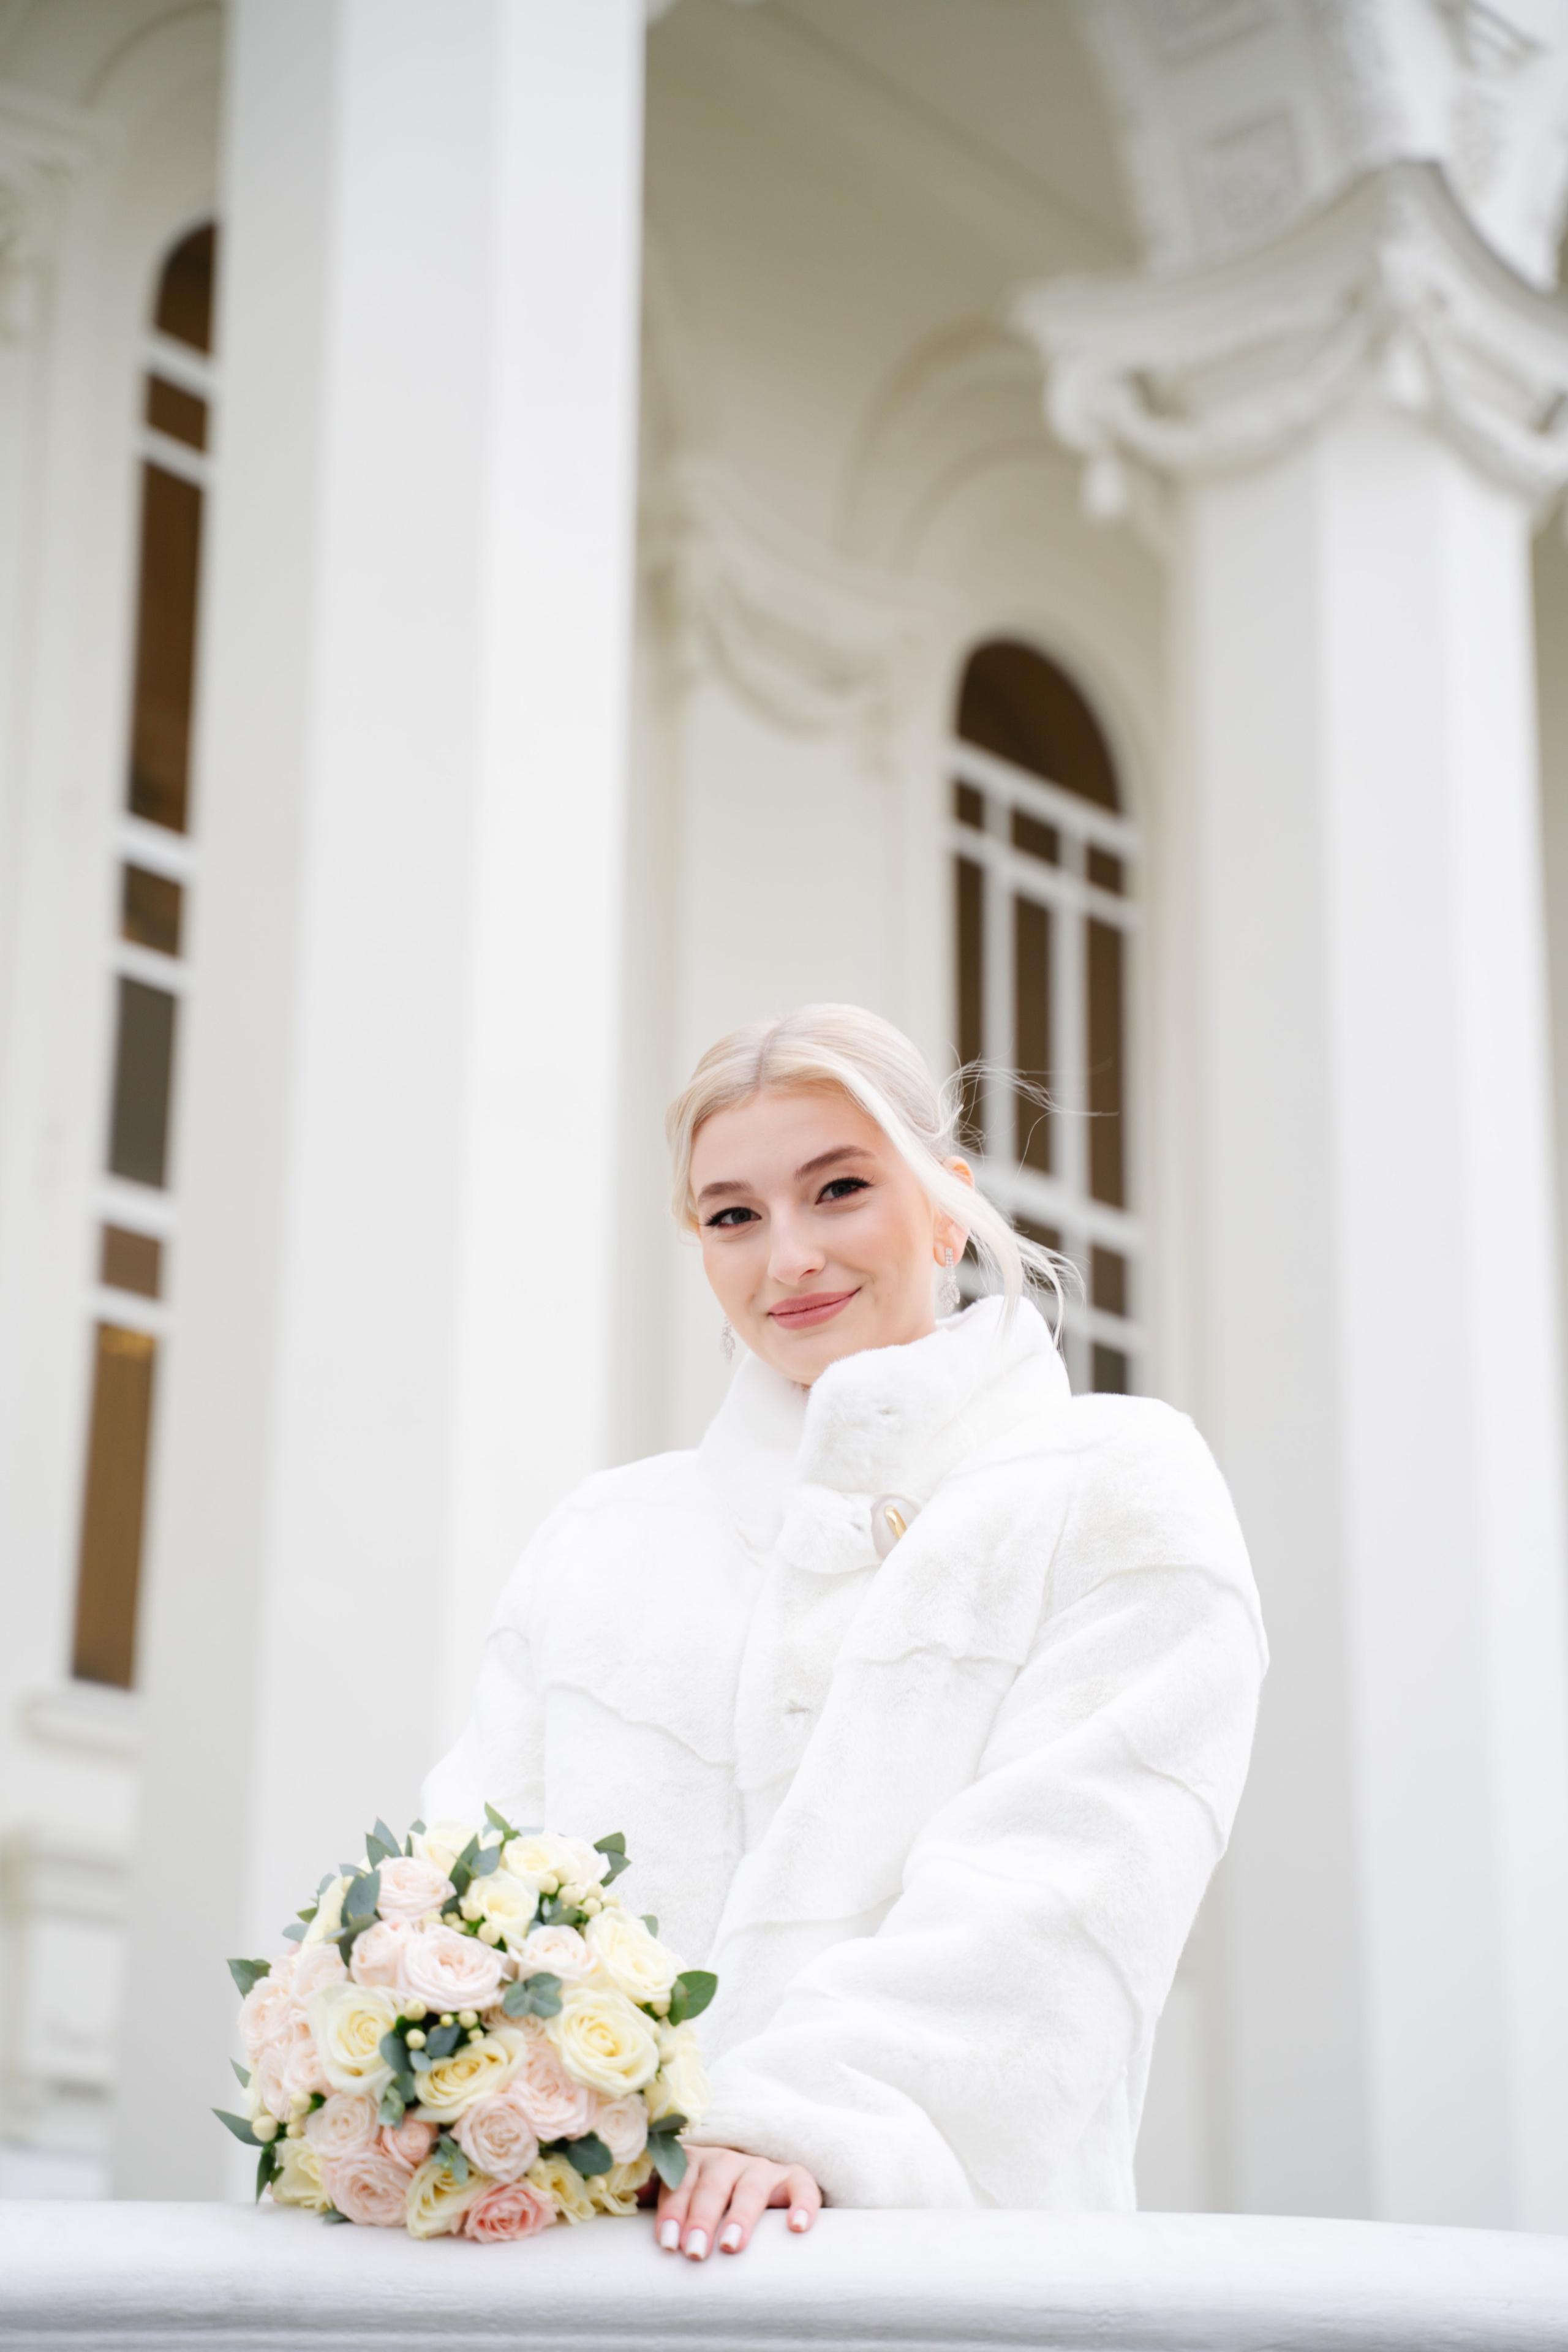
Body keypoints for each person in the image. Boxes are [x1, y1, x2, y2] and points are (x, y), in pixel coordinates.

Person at [423, 1005, 1265, 2260]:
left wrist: (795, 2126)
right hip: (590, 2277)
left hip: (940, 2275)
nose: (790, 1257)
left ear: (943, 1204)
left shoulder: (1116, 1485)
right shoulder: (600, 1540)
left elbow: (1063, 1892)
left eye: (839, 1189)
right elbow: (463, 1895)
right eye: (732, 1215)